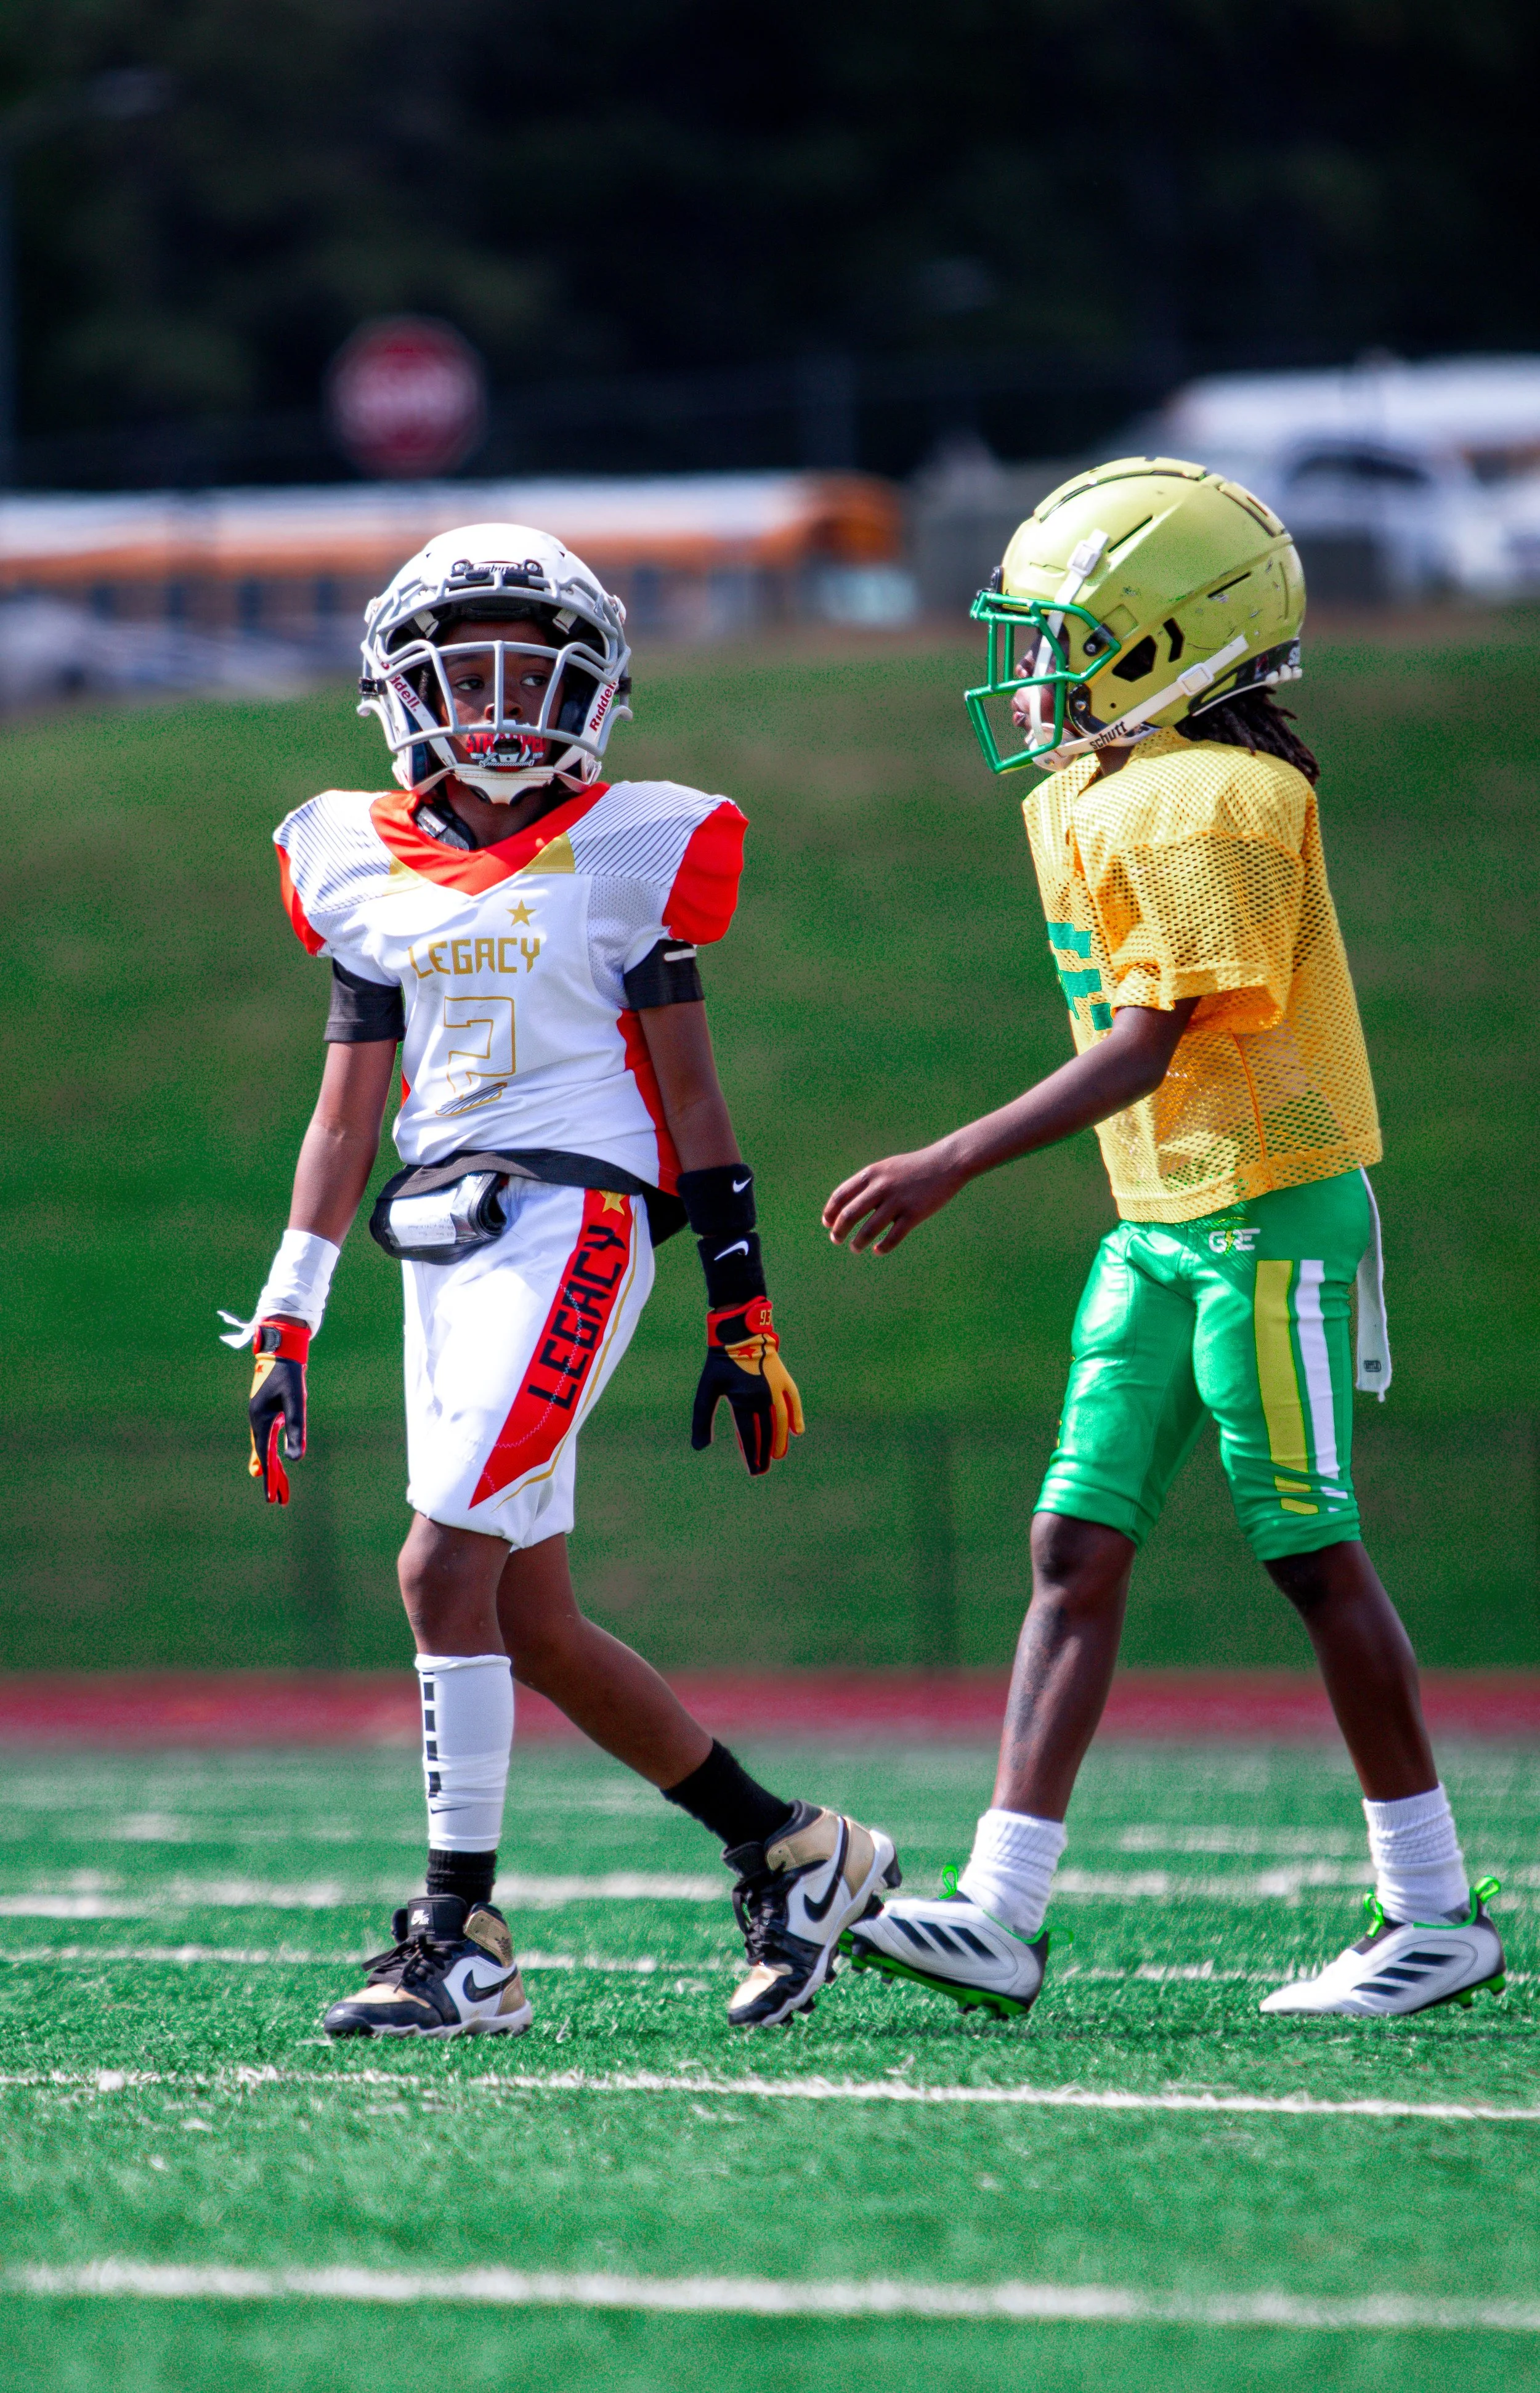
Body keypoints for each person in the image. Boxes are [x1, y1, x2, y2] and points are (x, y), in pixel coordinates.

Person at [827, 460, 1502, 2024]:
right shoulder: (1090, 791)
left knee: (1308, 1553)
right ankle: (999, 1911)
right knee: (1071, 1545)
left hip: (1266, 1210)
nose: (1035, 670)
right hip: (1158, 1219)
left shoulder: (1221, 799)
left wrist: (951, 1157)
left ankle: (1431, 1911)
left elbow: (1145, 1044)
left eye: (1068, 637)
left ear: (1162, 642)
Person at [222, 522, 898, 2038]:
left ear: (596, 688)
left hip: (580, 1226)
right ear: (406, 686)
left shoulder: (636, 841)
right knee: (526, 1615)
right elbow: (344, 1113)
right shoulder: (346, 852)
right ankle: (790, 1847)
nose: (503, 699)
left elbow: (698, 1103)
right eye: (471, 668)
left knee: (431, 1571)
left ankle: (458, 1938)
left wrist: (742, 1299)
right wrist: (288, 1310)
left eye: (536, 667)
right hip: (439, 1248)